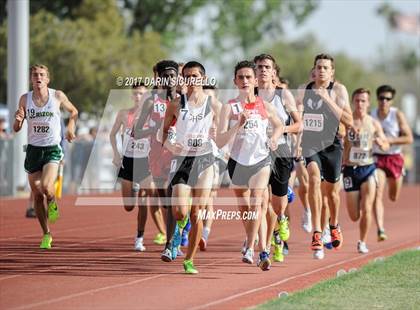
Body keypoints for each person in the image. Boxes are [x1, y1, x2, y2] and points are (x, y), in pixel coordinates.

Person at [217, 60, 284, 271]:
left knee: (257, 203)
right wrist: (238, 124)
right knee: (246, 209)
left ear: (256, 80)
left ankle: (259, 249)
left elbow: (280, 125)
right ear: (235, 81)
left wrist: (274, 137)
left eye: (248, 77)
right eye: (241, 77)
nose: (245, 81)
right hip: (237, 162)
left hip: (261, 161)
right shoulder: (228, 108)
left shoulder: (265, 106)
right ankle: (251, 240)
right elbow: (219, 141)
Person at [162, 61, 222, 274]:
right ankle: (179, 229)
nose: (191, 80)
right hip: (181, 159)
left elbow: (221, 135)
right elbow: (164, 134)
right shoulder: (176, 104)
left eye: (195, 76)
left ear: (203, 79)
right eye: (186, 76)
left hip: (204, 159)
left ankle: (189, 260)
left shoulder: (214, 105)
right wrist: (171, 144)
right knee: (179, 211)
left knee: (197, 212)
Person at [13, 64, 78, 249]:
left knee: (47, 187)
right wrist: (18, 121)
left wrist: (71, 127)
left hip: (52, 149)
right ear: (31, 79)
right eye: (35, 75)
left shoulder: (57, 96)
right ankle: (46, 234)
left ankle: (53, 201)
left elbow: (74, 112)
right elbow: (16, 129)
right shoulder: (25, 99)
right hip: (33, 150)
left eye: (42, 75)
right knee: (36, 193)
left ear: (47, 79)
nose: (38, 78)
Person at [298, 54, 353, 259]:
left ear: (332, 72)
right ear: (314, 69)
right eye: (318, 67)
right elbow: (297, 116)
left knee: (332, 194)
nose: (321, 70)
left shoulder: (338, 90)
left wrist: (327, 99)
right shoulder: (305, 89)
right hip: (311, 145)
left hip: (332, 147)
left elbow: (349, 120)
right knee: (313, 179)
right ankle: (317, 232)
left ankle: (334, 224)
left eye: (325, 67)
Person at [254, 54, 302, 263]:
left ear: (274, 72)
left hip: (281, 151)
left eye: (267, 67)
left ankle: (281, 221)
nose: (263, 70)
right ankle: (263, 248)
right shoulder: (249, 95)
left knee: (277, 205)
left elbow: (299, 125)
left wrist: (281, 130)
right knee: (261, 201)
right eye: (259, 67)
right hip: (257, 153)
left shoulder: (283, 95)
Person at [134, 60, 180, 261]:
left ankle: (170, 244)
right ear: (158, 79)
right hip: (157, 157)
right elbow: (136, 132)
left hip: (179, 156)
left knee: (173, 197)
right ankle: (174, 237)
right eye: (165, 76)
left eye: (172, 75)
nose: (169, 80)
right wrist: (155, 129)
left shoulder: (185, 100)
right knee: (166, 202)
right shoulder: (151, 102)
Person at [343, 88, 389, 253]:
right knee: (354, 215)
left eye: (363, 101)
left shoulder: (373, 122)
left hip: (368, 168)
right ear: (353, 102)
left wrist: (381, 142)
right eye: (357, 100)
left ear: (368, 103)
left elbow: (385, 143)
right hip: (350, 170)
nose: (360, 104)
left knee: (367, 207)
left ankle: (362, 242)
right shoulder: (347, 122)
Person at [110, 82, 152, 251]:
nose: (138, 97)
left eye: (141, 94)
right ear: (131, 96)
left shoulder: (152, 115)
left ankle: (139, 238)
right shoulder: (123, 114)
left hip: (146, 162)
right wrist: (116, 154)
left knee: (143, 201)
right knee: (128, 206)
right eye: (135, 94)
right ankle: (133, 188)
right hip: (128, 160)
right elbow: (112, 134)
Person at [371, 85, 413, 241]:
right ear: (377, 99)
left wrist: (389, 140)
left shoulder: (397, 115)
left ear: (391, 100)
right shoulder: (372, 115)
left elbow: (409, 138)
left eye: (387, 99)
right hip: (378, 158)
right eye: (381, 98)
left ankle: (393, 182)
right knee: (377, 193)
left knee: (393, 196)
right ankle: (380, 229)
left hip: (394, 158)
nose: (384, 101)